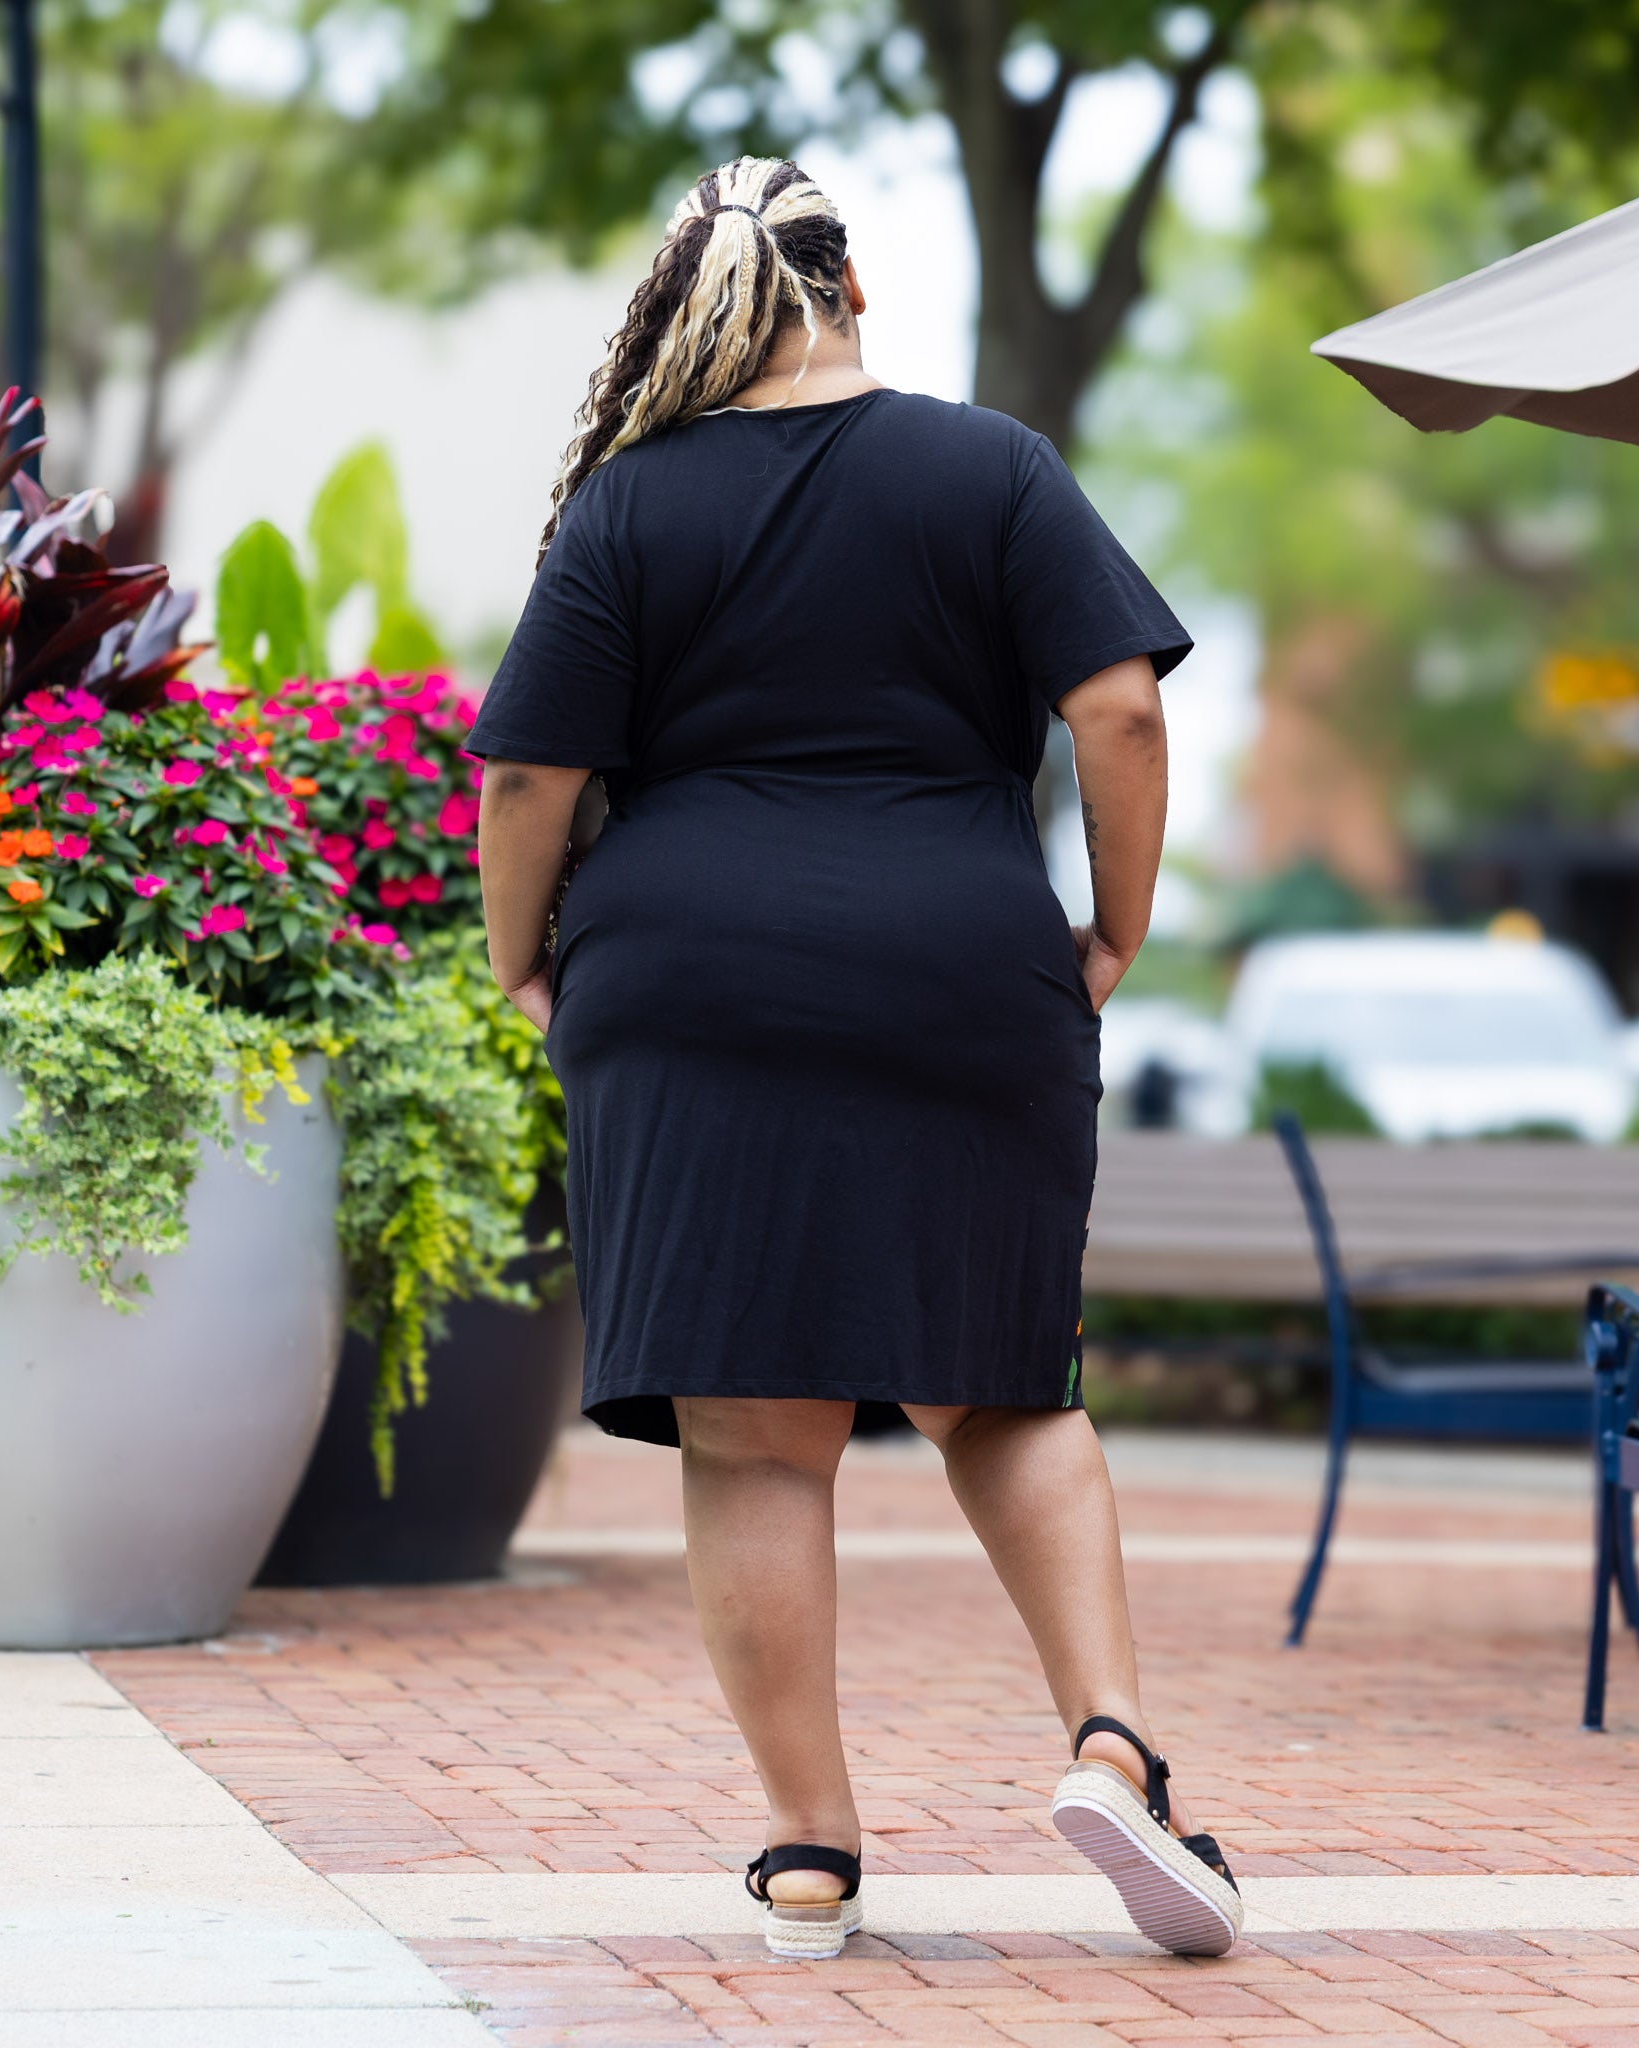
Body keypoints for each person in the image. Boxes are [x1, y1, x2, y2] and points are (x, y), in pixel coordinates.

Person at [471, 156, 1240, 1962]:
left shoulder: (627, 508)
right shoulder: (990, 467)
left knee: (751, 1436)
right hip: (957, 957)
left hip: (688, 982)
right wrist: (1113, 926)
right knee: (1009, 1386)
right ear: (856, 291)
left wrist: (523, 964)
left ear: (693, 312)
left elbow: (525, 779)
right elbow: (1119, 703)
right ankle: (1114, 1748)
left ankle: (811, 1851)